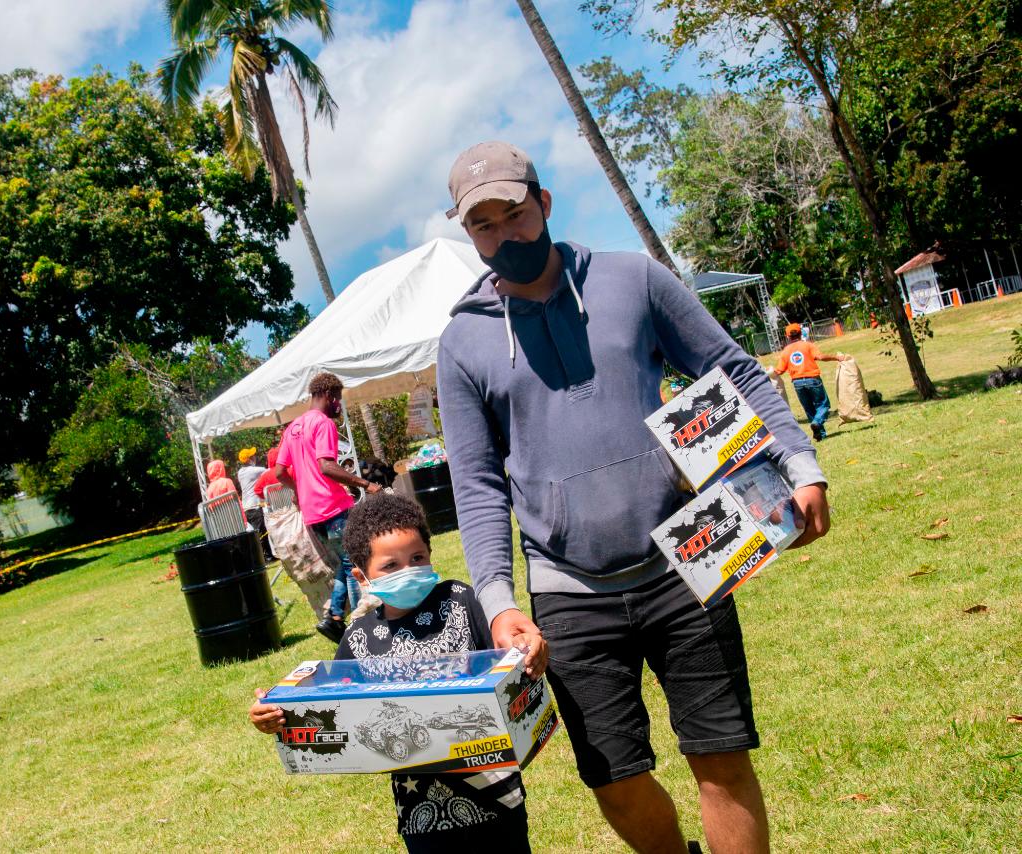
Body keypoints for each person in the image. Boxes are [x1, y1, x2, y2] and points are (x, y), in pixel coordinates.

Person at [436, 141, 832, 854]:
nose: (504, 234)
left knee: (719, 756)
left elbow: (730, 367)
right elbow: (477, 483)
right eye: (483, 225)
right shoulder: (462, 344)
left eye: (514, 214)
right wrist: (498, 603)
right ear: (468, 232)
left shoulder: (631, 281)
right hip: (567, 588)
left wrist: (799, 463)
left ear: (544, 204)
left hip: (690, 560)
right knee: (613, 777)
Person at [248, 493, 547, 852]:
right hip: (421, 812)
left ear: (430, 555)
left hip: (498, 797)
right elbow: (321, 701)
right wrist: (275, 711)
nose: (408, 571)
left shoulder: (461, 601)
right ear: (362, 576)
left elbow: (508, 666)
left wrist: (525, 655)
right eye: (391, 566)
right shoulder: (358, 639)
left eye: (417, 558)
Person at [275, 372, 381, 642]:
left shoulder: (293, 427)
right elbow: (327, 466)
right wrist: (364, 484)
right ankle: (361, 627)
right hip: (333, 508)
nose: (338, 406)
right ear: (329, 395)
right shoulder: (323, 424)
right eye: (337, 400)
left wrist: (299, 491)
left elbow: (279, 472)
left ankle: (334, 618)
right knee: (355, 563)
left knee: (344, 565)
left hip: (312, 515)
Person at [770, 322, 848, 441]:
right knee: (823, 405)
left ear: (787, 337)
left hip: (797, 383)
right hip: (813, 380)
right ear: (801, 334)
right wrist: (837, 357)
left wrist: (767, 372)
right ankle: (817, 423)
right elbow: (820, 357)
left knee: (809, 409)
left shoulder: (785, 351)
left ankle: (820, 435)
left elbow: (779, 371)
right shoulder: (808, 345)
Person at [236, 447, 273, 560]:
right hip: (255, 506)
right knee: (261, 531)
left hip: (247, 507)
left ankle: (264, 555)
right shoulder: (255, 470)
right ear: (249, 459)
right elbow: (270, 470)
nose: (255, 457)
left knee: (257, 531)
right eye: (253, 456)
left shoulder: (240, 472)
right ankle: (267, 556)